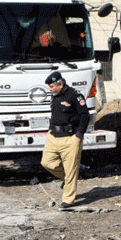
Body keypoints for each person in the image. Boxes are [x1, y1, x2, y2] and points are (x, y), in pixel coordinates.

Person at [40, 71, 88, 210]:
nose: (50, 89)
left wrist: (79, 135)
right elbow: (54, 113)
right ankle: (67, 181)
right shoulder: (54, 96)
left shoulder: (75, 95)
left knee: (71, 169)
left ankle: (68, 200)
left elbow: (84, 115)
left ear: (60, 84)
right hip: (54, 137)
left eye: (52, 86)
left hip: (71, 138)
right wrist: (50, 130)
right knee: (47, 163)